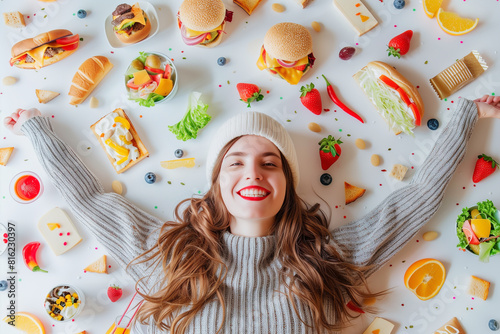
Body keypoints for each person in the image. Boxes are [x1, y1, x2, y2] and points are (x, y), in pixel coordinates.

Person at [4, 95, 500, 334]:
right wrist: (37, 131)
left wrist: (463, 120)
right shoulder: (170, 253)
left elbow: (413, 203)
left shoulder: (323, 259)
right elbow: (89, 202)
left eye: (270, 163)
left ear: (286, 184)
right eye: (235, 162)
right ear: (217, 183)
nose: (254, 173)